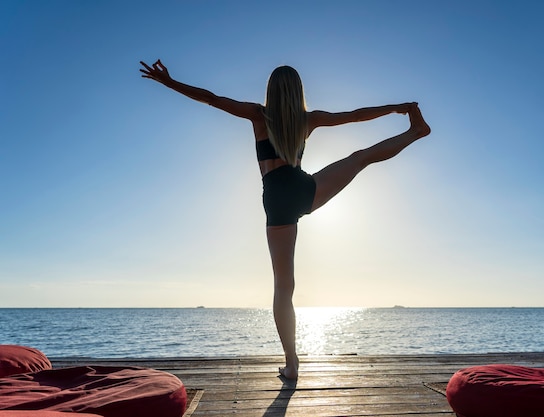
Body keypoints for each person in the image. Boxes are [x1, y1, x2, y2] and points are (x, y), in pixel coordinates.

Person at [140, 60, 431, 379]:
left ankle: (291, 363)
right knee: (359, 158)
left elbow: (211, 98)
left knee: (283, 286)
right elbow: (356, 115)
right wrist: (397, 107)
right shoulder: (308, 119)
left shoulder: (258, 115)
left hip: (276, 201)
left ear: (271, 90)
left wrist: (169, 82)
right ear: (298, 91)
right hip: (305, 190)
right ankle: (415, 132)